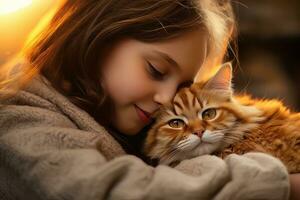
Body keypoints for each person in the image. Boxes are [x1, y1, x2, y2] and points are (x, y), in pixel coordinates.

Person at [0, 0, 295, 199]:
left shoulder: (118, 122)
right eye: (156, 70)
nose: (166, 98)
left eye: (182, 85)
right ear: (100, 36)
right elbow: (117, 190)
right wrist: (284, 185)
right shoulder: (18, 120)